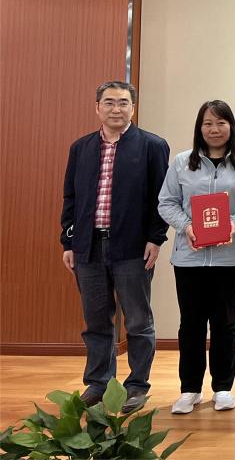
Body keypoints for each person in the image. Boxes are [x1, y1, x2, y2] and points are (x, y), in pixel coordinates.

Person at [60, 81, 170, 413]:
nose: (116, 109)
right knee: (96, 320)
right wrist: (68, 241)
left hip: (133, 248)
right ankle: (99, 383)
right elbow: (70, 197)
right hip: (88, 247)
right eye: (109, 102)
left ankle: (137, 386)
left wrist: (156, 238)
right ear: (97, 107)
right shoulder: (81, 148)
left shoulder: (152, 146)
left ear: (132, 108)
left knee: (137, 320)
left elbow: (162, 198)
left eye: (123, 103)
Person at [157, 100, 235, 414]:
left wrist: (234, 222)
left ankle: (222, 388)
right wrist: (186, 226)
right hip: (189, 257)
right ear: (200, 128)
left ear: (231, 126)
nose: (214, 129)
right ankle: (190, 389)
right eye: (208, 123)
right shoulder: (182, 162)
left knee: (224, 323)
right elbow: (166, 202)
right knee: (191, 324)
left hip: (229, 257)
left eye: (221, 123)